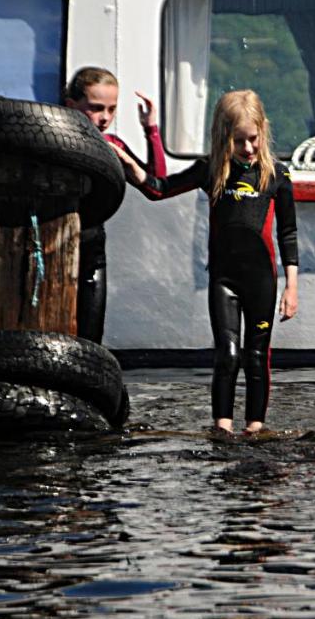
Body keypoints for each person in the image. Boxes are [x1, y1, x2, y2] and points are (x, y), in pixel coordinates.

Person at [115, 89, 297, 435]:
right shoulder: (210, 170)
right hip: (224, 279)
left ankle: (256, 429)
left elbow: (289, 233)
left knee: (256, 357)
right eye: (238, 141)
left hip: (261, 279)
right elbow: (157, 189)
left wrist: (292, 287)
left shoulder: (277, 175)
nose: (247, 149)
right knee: (227, 355)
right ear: (222, 137)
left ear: (263, 131)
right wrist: (147, 136)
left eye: (253, 140)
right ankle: (222, 429)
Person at [64, 66, 165, 343]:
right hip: (55, 245)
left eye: (111, 109)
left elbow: (157, 188)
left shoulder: (112, 144)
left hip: (92, 247)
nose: (104, 118)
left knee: (90, 333)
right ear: (72, 105)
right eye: (95, 108)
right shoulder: (54, 140)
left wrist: (150, 130)